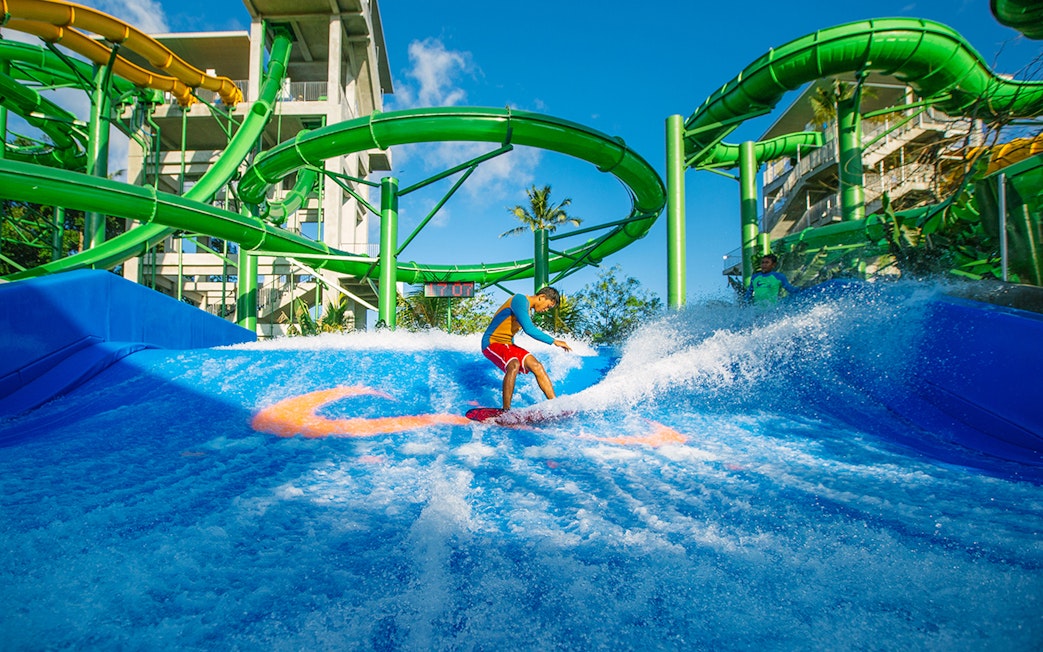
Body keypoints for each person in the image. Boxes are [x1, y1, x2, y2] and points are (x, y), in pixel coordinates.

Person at [481, 286, 572, 410]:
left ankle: (556, 406)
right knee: (513, 364)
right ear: (542, 297)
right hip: (491, 342)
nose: (546, 310)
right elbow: (529, 329)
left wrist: (512, 348)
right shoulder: (520, 299)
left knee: (537, 366)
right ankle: (506, 411)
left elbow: (508, 329)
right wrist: (554, 341)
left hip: (508, 344)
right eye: (548, 306)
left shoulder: (526, 309)